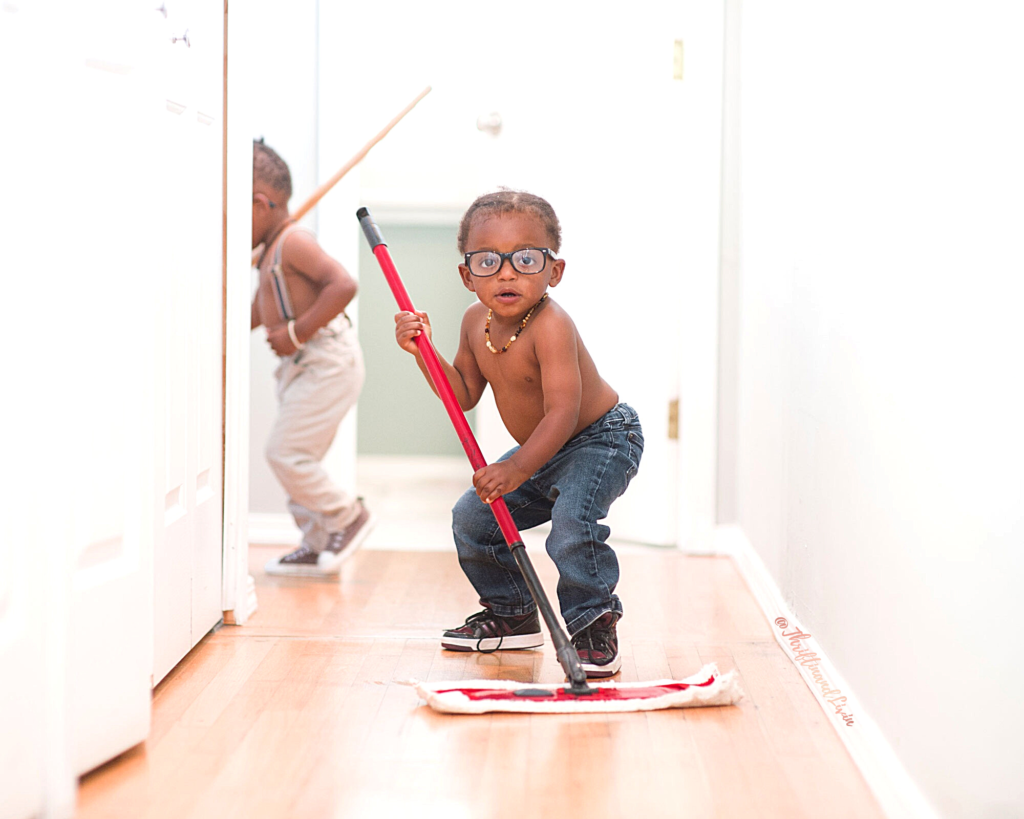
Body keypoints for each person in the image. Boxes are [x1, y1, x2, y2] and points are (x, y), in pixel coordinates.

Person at [393, 190, 643, 677]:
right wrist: (423, 351)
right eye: (488, 261)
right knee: (474, 518)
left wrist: (516, 468)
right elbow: (462, 394)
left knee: (572, 525)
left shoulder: (552, 326)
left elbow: (564, 413)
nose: (507, 273)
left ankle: (592, 622)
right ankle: (512, 614)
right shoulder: (474, 323)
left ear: (554, 271)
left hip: (600, 438)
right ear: (467, 275)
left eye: (526, 259)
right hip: (543, 449)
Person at [252, 139, 373, 576]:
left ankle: (346, 516)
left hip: (326, 359)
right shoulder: (270, 251)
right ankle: (316, 537)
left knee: (285, 452)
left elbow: (342, 284)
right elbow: (259, 309)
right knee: (297, 454)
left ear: (261, 204)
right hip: (301, 365)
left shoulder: (293, 242)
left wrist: (295, 334)